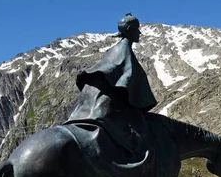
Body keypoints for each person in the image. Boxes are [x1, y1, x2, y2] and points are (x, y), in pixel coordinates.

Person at [65, 13, 157, 163]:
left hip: (101, 106)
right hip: (108, 110)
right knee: (142, 141)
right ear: (129, 29)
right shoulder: (124, 51)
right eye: (136, 29)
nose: (139, 33)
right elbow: (127, 83)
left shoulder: (114, 51)